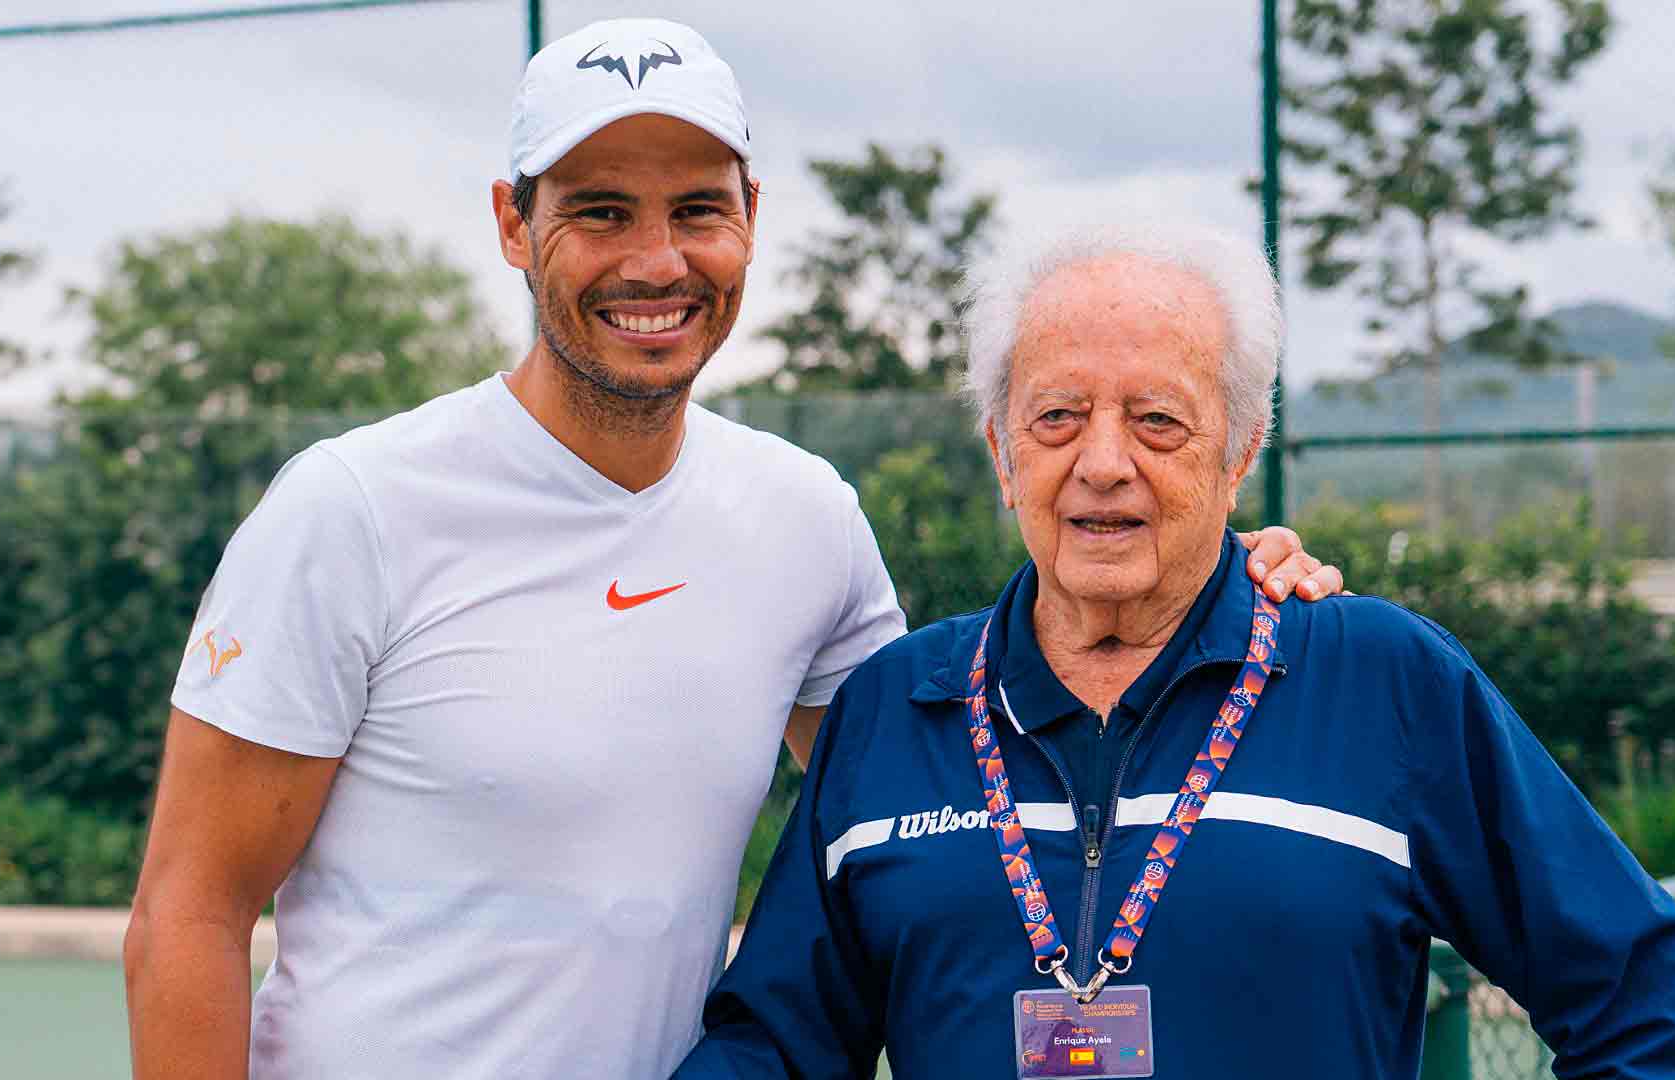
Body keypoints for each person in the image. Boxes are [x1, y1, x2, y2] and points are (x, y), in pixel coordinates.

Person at [119, 18, 1343, 1080]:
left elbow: (954, 769)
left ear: (751, 219)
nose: (656, 261)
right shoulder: (350, 508)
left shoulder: (805, 516)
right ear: (512, 224)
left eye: (696, 209)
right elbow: (192, 908)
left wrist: (1210, 583)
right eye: (600, 212)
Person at [674, 220, 1675, 1080]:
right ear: (1001, 451)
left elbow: (1657, 1014)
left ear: (1240, 454)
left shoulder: (1385, 683)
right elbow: (774, 1046)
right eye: (1056, 418)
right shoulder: (895, 708)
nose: (1102, 463)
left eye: (1157, 422)